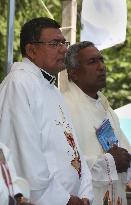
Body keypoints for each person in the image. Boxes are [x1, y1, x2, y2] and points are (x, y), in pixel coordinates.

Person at [0, 18, 93, 205]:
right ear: (31, 50)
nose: (64, 49)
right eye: (54, 44)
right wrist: (63, 200)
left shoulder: (52, 89)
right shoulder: (18, 83)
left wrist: (85, 194)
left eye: (63, 43)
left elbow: (75, 148)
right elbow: (24, 156)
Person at [63, 41, 131, 205]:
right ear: (73, 73)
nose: (101, 67)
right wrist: (109, 162)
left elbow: (125, 151)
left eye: (101, 60)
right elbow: (62, 163)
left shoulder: (106, 109)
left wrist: (125, 158)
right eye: (92, 62)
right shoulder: (63, 107)